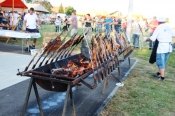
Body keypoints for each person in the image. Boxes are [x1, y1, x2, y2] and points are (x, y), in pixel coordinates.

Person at [145, 16, 175, 80]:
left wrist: (146, 39)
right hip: (169, 47)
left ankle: (162, 77)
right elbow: (173, 35)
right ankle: (159, 73)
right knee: (163, 61)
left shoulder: (159, 28)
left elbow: (152, 39)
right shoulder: (169, 27)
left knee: (160, 62)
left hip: (162, 47)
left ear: (158, 22)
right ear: (165, 21)